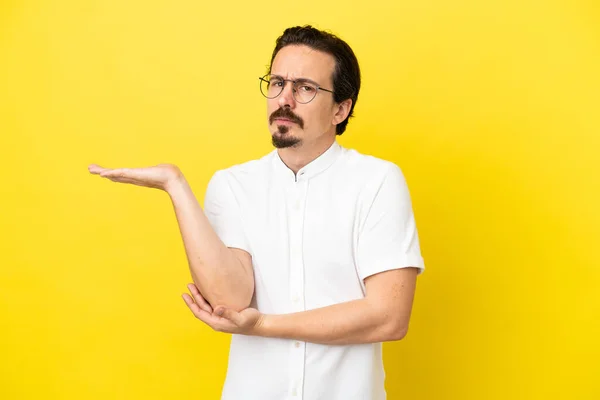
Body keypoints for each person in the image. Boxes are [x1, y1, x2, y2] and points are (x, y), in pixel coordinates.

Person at [88, 25, 425, 400]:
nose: (285, 99)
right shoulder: (232, 186)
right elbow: (230, 301)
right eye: (277, 82)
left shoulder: (376, 182)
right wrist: (175, 185)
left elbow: (389, 317)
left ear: (340, 109)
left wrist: (264, 324)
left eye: (305, 88)